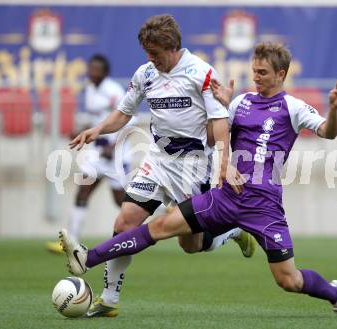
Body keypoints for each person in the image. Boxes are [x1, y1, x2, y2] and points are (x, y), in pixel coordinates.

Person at [60, 41, 337, 317]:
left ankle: (335, 293)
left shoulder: (293, 107)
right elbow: (213, 134)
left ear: (281, 73)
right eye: (253, 70)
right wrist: (220, 109)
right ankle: (87, 258)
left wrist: (334, 109)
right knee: (160, 226)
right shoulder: (241, 102)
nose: (255, 77)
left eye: (263, 72)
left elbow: (328, 132)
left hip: (264, 207)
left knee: (289, 280)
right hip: (225, 195)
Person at [67, 14, 256, 317]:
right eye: (147, 53)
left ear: (171, 48)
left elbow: (219, 122)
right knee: (124, 223)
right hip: (156, 161)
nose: (150, 59)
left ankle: (231, 232)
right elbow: (123, 112)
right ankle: (109, 299)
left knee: (191, 246)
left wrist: (224, 164)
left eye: (155, 53)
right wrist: (97, 130)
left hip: (192, 168)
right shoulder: (145, 74)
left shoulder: (202, 73)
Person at [46, 54, 130, 253]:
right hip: (98, 153)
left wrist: (114, 146)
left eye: (96, 69)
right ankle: (71, 243)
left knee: (120, 200)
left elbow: (129, 121)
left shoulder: (114, 91)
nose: (91, 72)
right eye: (90, 68)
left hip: (116, 154)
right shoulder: (91, 90)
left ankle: (159, 210)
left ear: (105, 72)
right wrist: (82, 131)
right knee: (82, 192)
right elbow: (97, 120)